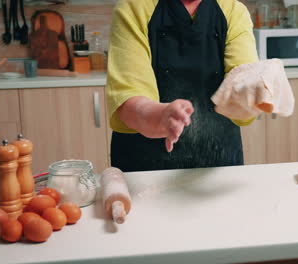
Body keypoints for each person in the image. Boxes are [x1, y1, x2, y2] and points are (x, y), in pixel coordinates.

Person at [106, 0, 258, 172]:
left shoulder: (233, 11)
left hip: (218, 165)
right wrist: (160, 116)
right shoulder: (134, 8)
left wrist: (254, 93)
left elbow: (243, 78)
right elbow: (129, 94)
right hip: (144, 164)